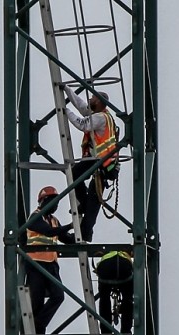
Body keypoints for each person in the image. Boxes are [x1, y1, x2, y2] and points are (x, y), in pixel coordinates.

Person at [62, 85, 119, 242]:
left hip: (101, 163)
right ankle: (85, 212)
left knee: (91, 201)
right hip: (100, 162)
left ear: (99, 102)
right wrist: (66, 90)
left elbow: (83, 124)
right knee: (87, 196)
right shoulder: (100, 115)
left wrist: (64, 111)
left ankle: (86, 232)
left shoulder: (100, 118)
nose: (89, 100)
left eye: (92, 98)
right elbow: (81, 106)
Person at [25, 186, 75, 334]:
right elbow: (48, 232)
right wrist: (70, 226)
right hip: (36, 264)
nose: (55, 206)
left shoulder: (54, 220)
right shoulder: (35, 217)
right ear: (43, 201)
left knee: (58, 296)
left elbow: (65, 239)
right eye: (53, 202)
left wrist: (79, 233)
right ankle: (38, 331)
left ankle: (38, 324)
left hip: (51, 265)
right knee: (37, 301)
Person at [94, 250, 133, 334]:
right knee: (128, 298)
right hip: (124, 268)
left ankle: (105, 330)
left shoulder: (105, 257)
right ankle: (126, 330)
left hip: (106, 269)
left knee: (104, 299)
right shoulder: (125, 256)